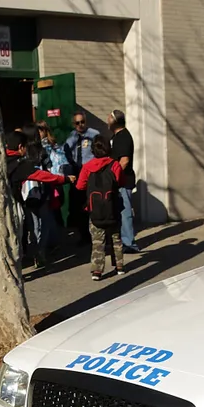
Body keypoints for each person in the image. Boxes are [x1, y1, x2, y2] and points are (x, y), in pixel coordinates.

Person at [5, 130, 73, 268]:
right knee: (20, 233)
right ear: (20, 147)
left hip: (14, 200)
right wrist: (64, 179)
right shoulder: (20, 165)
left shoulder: (1, 159)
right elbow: (42, 176)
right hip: (15, 203)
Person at [75, 135, 127, 280]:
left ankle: (97, 271)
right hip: (113, 207)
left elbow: (80, 186)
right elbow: (120, 181)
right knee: (116, 237)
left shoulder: (87, 167)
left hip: (95, 209)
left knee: (98, 240)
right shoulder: (114, 164)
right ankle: (119, 266)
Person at [64, 112, 99, 245]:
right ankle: (83, 235)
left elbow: (99, 151)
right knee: (79, 205)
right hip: (77, 172)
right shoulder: (72, 137)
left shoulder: (93, 134)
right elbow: (66, 151)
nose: (80, 125)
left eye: (82, 122)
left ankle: (95, 235)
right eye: (77, 123)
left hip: (90, 172)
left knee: (91, 203)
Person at [109, 109, 140, 252]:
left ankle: (129, 243)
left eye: (109, 117)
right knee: (119, 211)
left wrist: (113, 176)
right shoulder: (116, 136)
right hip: (119, 180)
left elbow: (124, 160)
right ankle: (122, 241)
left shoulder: (123, 137)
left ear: (115, 121)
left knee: (125, 211)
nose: (107, 120)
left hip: (123, 180)